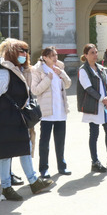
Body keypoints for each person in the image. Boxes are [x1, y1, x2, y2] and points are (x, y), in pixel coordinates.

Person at [0, 38, 54, 201]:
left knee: (25, 148)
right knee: (5, 154)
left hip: (17, 120)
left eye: (26, 51)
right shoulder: (4, 73)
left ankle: (34, 182)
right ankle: (6, 188)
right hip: (4, 120)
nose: (24, 54)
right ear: (11, 53)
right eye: (21, 51)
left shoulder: (18, 70)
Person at [77, 43, 107, 172]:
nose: (95, 55)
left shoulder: (100, 68)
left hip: (105, 105)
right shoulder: (83, 70)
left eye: (96, 52)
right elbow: (88, 88)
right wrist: (102, 99)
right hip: (94, 106)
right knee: (94, 133)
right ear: (86, 55)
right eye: (92, 53)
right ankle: (95, 161)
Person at [31, 46, 72, 178]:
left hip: (60, 111)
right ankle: (44, 169)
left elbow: (68, 84)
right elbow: (35, 90)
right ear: (45, 58)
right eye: (52, 56)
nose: (55, 58)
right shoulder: (37, 70)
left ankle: (62, 166)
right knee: (45, 143)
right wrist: (47, 79)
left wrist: (61, 73)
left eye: (56, 55)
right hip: (47, 113)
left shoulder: (59, 67)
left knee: (60, 141)